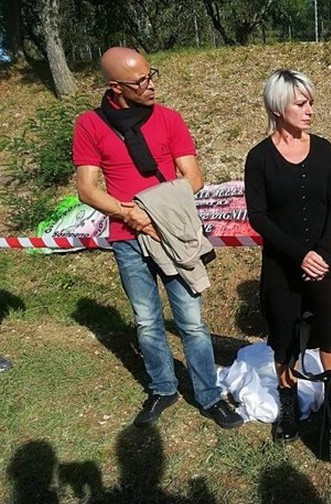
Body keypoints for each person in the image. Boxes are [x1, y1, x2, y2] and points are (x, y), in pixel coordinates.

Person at [73, 47, 242, 429]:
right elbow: (86, 188)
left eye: (152, 76)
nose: (150, 86)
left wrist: (150, 212)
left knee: (192, 323)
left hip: (171, 235)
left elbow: (193, 178)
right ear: (115, 87)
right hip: (126, 238)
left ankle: (209, 396)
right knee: (147, 321)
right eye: (140, 81)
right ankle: (163, 388)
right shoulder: (90, 124)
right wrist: (129, 214)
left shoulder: (169, 119)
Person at [244, 69, 331, 441]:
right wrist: (299, 254)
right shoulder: (259, 158)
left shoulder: (324, 149)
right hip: (282, 266)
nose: (309, 111)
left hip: (324, 261)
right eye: (301, 103)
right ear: (277, 107)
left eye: (311, 103)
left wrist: (320, 251)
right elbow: (259, 216)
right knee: (284, 340)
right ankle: (287, 406)